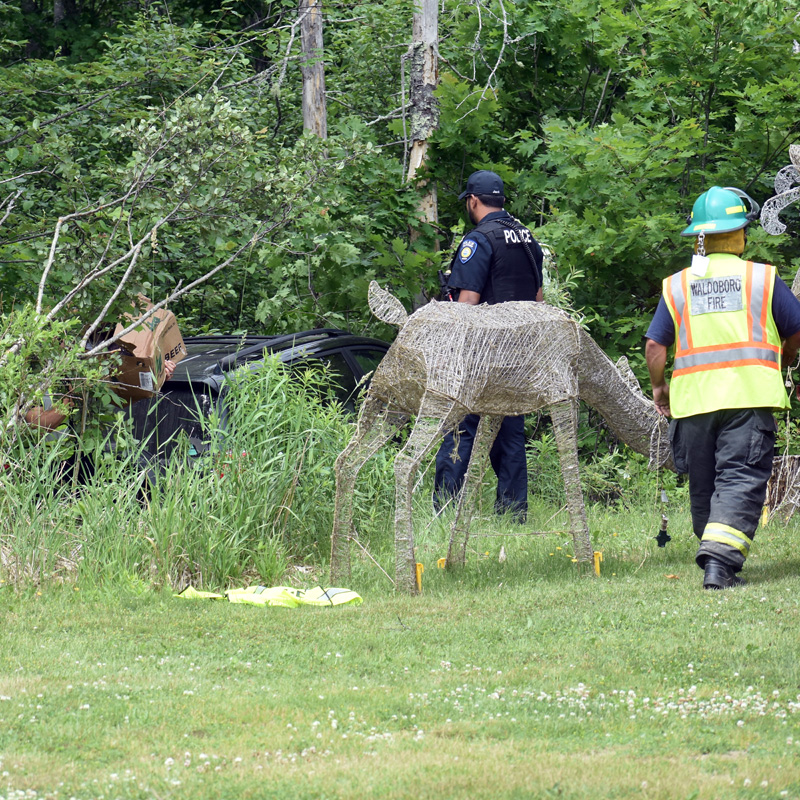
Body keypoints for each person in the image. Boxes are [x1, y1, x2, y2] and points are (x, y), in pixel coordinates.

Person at [645, 185, 800, 589]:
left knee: (705, 483)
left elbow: (654, 346)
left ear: (700, 235)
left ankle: (715, 554)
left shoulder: (678, 285)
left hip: (694, 402)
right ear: (741, 234)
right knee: (740, 477)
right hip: (750, 397)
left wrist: (659, 389)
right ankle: (719, 562)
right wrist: (786, 358)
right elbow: (798, 330)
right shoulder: (762, 278)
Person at [433, 170, 544, 521]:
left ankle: (445, 510)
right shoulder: (527, 239)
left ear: (473, 201)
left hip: (480, 355)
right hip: (515, 355)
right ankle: (513, 514)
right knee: (510, 434)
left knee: (459, 428)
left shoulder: (478, 241)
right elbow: (538, 300)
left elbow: (467, 304)